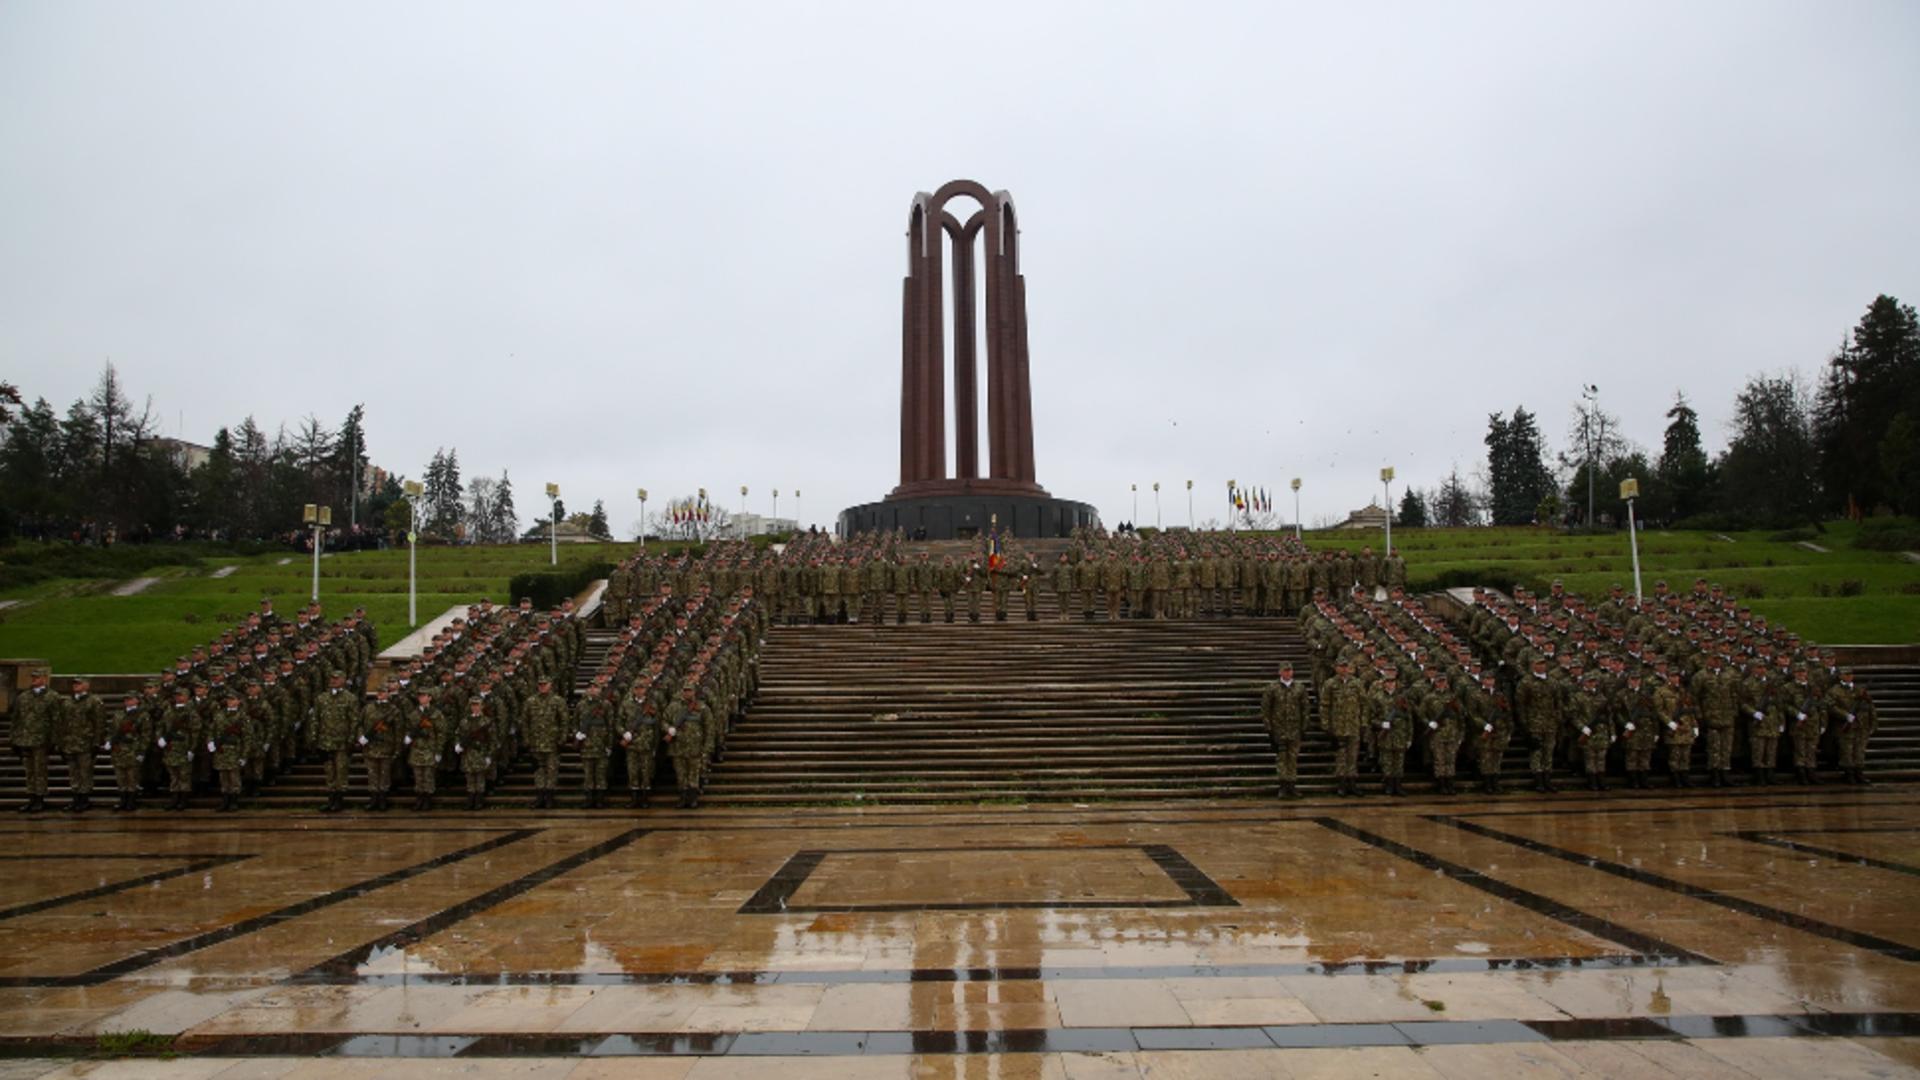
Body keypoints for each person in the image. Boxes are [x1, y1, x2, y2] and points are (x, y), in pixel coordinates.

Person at [312, 670, 361, 813]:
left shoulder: (350, 698)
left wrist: (352, 739)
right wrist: (314, 738)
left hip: (342, 742)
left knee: (341, 771)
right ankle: (331, 798)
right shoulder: (321, 698)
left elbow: (354, 721)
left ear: (343, 680)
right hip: (325, 741)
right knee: (329, 772)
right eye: (332, 678)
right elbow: (315, 719)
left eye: (337, 678)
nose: (333, 681)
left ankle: (339, 799)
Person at [10, 669, 56, 814]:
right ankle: (31, 798)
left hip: (41, 741)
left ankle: (40, 799)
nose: (34, 680)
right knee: (29, 771)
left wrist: (54, 740)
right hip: (25, 740)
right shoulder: (23, 697)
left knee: (40, 771)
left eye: (37, 677)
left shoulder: (52, 697)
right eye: (33, 678)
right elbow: (16, 719)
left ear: (44, 678)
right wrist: (13, 739)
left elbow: (57, 720)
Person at [1261, 661, 1309, 799]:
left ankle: (1292, 785)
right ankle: (1282, 786)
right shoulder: (1272, 688)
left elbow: (1305, 708)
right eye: (1285, 670)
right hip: (1279, 730)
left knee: (1293, 758)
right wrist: (1269, 729)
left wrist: (1304, 727)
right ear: (1280, 672)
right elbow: (1265, 709)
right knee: (1282, 759)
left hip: (1295, 730)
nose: (1288, 673)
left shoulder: (1300, 688)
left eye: (1290, 670)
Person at [57, 676, 105, 812]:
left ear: (86, 685)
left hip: (86, 744)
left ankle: (84, 798)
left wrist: (97, 742)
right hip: (70, 744)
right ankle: (75, 797)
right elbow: (62, 723)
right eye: (74, 684)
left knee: (85, 772)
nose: (75, 686)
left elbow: (99, 724)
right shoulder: (67, 702)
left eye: (78, 684)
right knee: (73, 772)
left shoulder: (94, 701)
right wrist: (61, 742)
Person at [524, 675, 568, 809]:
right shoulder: (530, 701)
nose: (542, 686)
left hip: (552, 742)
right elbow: (525, 722)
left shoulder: (558, 701)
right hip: (536, 743)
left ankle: (550, 797)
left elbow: (564, 721)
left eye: (545, 684)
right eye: (540, 684)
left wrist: (562, 738)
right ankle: (540, 796)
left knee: (552, 770)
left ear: (550, 685)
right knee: (538, 771)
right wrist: (527, 739)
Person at [107, 693, 149, 812]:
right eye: (126, 699)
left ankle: (131, 801)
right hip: (118, 751)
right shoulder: (118, 714)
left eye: (130, 699)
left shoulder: (142, 715)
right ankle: (123, 800)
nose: (127, 701)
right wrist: (108, 741)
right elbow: (112, 730)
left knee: (132, 777)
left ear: (137, 700)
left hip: (133, 750)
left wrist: (142, 751)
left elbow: (146, 735)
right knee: (120, 777)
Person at [407, 688, 443, 811]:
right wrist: (407, 737)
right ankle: (419, 798)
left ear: (430, 698)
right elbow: (408, 728)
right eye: (420, 696)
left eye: (424, 696)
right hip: (416, 749)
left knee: (428, 776)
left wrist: (439, 751)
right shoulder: (413, 714)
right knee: (418, 776)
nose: (421, 698)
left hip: (430, 749)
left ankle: (428, 799)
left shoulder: (436, 714)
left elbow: (441, 733)